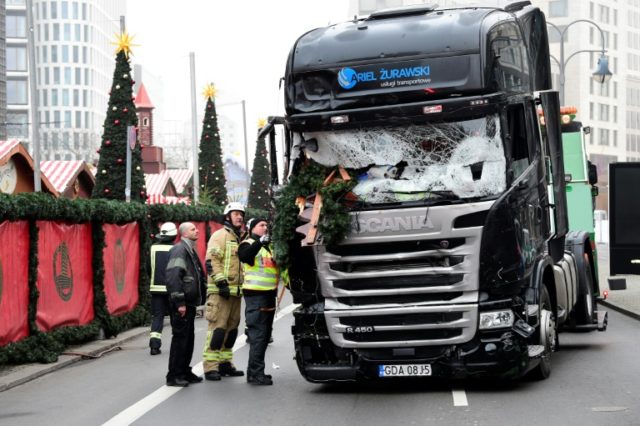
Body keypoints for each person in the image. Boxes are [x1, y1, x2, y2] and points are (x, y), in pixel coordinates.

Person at [202, 202, 246, 381]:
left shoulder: (240, 237)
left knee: (232, 330)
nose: (240, 217)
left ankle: (225, 363)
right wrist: (221, 283)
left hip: (236, 292)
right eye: (236, 213)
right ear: (227, 216)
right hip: (221, 292)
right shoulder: (219, 235)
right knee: (217, 329)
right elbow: (212, 261)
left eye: (241, 214)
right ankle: (210, 366)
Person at [238, 217, 279, 385]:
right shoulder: (247, 243)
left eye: (266, 226)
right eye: (261, 225)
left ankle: (255, 372)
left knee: (264, 336)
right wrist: (260, 242)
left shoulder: (267, 248)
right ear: (252, 228)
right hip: (256, 295)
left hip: (269, 294)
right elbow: (246, 256)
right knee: (258, 336)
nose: (265, 228)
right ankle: (255, 374)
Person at [165, 222, 206, 387]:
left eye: (196, 228)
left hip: (189, 303)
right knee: (180, 339)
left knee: (188, 339)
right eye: (192, 229)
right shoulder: (180, 250)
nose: (197, 230)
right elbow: (173, 276)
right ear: (184, 234)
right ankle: (174, 375)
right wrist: (179, 302)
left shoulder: (189, 249)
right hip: (182, 304)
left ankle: (185, 371)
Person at [148, 222, 177, 356]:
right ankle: (177, 345)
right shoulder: (177, 249)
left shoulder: (153, 248)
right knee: (174, 317)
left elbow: (148, 268)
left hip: (156, 289)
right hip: (173, 289)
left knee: (157, 317)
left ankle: (154, 346)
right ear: (174, 235)